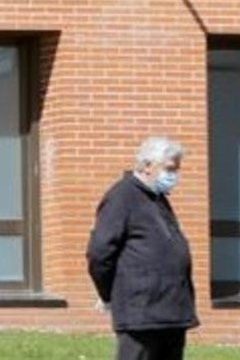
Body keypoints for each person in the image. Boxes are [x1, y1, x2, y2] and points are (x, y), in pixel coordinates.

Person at [86, 136, 199, 360]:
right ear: (147, 165)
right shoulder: (123, 196)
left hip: (171, 311)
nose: (173, 175)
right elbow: (100, 252)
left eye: (176, 169)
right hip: (141, 312)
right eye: (169, 168)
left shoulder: (157, 199)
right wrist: (109, 294)